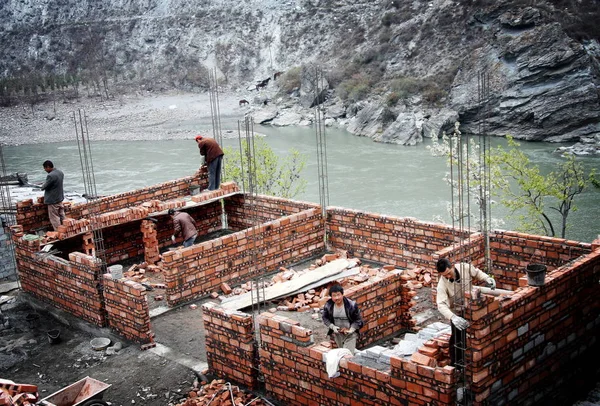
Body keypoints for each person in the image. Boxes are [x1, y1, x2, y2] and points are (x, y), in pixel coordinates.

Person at [436, 258, 496, 367]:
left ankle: (475, 358)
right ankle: (457, 365)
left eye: (449, 273)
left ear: (452, 266)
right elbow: (441, 304)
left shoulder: (464, 267)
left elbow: (477, 273)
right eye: (445, 276)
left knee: (474, 333)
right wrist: (453, 317)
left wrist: (487, 278)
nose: (448, 277)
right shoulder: (442, 284)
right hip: (457, 313)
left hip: (471, 307)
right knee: (457, 338)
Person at [321, 284, 364, 354]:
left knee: (346, 354)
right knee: (342, 352)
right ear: (331, 297)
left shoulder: (351, 305)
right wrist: (332, 327)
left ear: (342, 294)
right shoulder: (328, 305)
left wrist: (351, 329)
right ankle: (357, 353)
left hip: (350, 334)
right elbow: (325, 318)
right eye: (334, 296)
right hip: (338, 334)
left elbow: (358, 320)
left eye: (338, 295)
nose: (337, 298)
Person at [40, 160, 65, 231]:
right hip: (60, 197)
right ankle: (66, 228)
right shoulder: (60, 172)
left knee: (54, 217)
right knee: (61, 214)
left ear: (48, 167)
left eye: (45, 168)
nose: (45, 170)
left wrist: (42, 185)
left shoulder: (50, 175)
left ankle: (58, 231)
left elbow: (44, 187)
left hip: (53, 200)